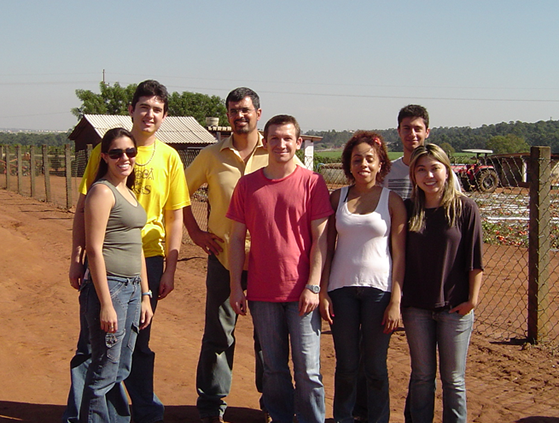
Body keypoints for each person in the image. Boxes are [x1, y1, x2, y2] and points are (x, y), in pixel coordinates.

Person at [64, 80, 189, 423]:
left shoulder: (169, 157)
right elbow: (83, 209)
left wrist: (170, 267)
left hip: (146, 262)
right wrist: (77, 260)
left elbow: (174, 216)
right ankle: (82, 415)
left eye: (157, 109)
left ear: (164, 116)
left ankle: (142, 411)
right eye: (144, 107)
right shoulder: (102, 152)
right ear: (132, 109)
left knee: (134, 345)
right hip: (106, 262)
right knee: (93, 346)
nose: (150, 114)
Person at [227, 115, 333, 423]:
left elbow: (321, 239)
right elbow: (236, 240)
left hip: (302, 294)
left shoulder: (312, 183)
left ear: (298, 142)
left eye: (288, 138)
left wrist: (314, 285)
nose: (281, 144)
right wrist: (237, 286)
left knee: (308, 370)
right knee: (273, 368)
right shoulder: (248, 185)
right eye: (275, 138)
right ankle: (281, 416)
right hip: (262, 293)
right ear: (265, 142)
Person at [183, 87, 268, 423]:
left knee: (269, 338)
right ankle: (211, 406)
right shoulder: (210, 155)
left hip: (268, 264)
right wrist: (195, 233)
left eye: (245, 110)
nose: (239, 116)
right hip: (222, 259)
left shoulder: (275, 152)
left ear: (258, 113)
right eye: (233, 110)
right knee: (218, 335)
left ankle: (272, 404)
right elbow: (178, 196)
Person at [319, 131, 406, 423]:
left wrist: (396, 300)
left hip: (378, 293)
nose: (364, 165)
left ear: (381, 163)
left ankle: (377, 418)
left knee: (376, 366)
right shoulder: (336, 198)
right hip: (341, 290)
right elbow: (326, 248)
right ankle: (344, 417)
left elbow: (400, 255)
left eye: (370, 159)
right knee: (345, 364)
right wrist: (322, 290)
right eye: (357, 159)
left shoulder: (392, 201)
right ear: (348, 164)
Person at [76, 127, 153, 422]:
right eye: (117, 153)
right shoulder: (101, 191)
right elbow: (94, 250)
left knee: (121, 367)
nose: (125, 158)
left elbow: (138, 249)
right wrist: (106, 303)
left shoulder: (127, 191)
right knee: (103, 370)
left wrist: (145, 294)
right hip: (111, 288)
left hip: (132, 289)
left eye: (130, 152)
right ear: (105, 156)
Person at [402, 144, 483, 423]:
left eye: (435, 168)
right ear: (413, 176)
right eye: (421, 170)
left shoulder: (465, 208)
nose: (429, 175)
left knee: (453, 379)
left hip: (454, 306)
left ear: (447, 172)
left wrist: (472, 299)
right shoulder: (408, 209)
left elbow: (475, 259)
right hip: (416, 307)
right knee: (422, 376)